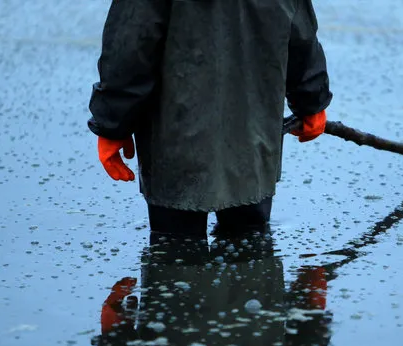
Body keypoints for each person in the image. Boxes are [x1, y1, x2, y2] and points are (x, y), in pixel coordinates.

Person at [87, 0, 332, 237]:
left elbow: (132, 40)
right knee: (250, 255)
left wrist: (112, 124)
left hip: (176, 145)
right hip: (252, 142)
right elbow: (300, 30)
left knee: (175, 257)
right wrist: (311, 100)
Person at [92, 229, 332, 346]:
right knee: (245, 221)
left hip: (179, 310)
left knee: (179, 226)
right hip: (250, 306)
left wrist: (116, 338)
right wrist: (309, 313)